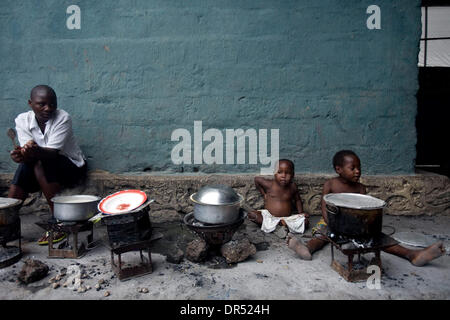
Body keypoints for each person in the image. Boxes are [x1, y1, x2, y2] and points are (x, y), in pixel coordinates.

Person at [287, 150, 445, 266]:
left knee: (379, 239)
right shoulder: (331, 184)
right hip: (332, 221)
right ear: (338, 169)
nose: (358, 171)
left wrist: (365, 225)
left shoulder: (361, 188)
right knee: (322, 236)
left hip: (356, 224)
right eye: (353, 168)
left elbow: (365, 209)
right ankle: (307, 249)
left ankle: (412, 254)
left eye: (359, 167)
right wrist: (331, 222)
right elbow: (325, 206)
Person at [8, 85, 87, 245]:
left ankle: (60, 222)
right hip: (43, 170)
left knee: (40, 162)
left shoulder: (63, 117)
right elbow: (29, 156)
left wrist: (30, 153)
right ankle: (7, 220)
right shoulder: (22, 120)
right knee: (26, 166)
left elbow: (51, 154)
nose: (48, 108)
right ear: (30, 104)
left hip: (72, 169)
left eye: (52, 104)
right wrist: (20, 156)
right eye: (41, 104)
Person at [248, 159, 310, 238]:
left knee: (305, 222)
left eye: (287, 173)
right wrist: (264, 194)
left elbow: (298, 200)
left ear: (293, 175)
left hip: (286, 219)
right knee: (252, 215)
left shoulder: (292, 187)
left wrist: (301, 213)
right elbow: (257, 179)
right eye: (279, 172)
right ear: (274, 173)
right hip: (269, 217)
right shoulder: (270, 184)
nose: (283, 176)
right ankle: (279, 227)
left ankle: (280, 226)